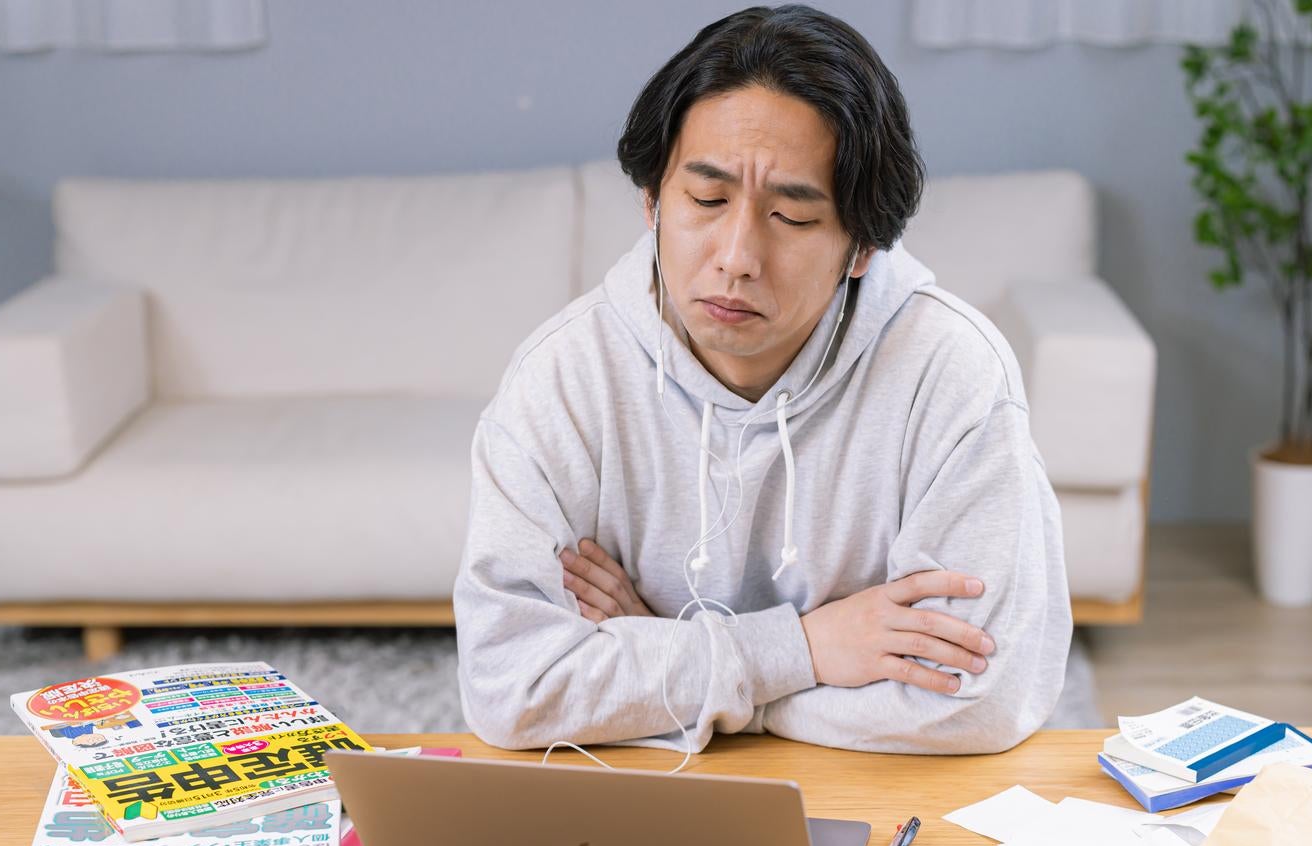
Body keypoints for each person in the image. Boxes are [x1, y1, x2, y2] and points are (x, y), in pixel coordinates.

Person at [453, 4, 1071, 755]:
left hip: (876, 801)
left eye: (791, 216)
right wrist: (804, 650)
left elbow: (979, 702)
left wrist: (659, 661)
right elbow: (508, 687)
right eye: (706, 201)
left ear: (863, 247)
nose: (737, 255)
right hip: (643, 810)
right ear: (652, 202)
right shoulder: (561, 380)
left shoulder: (951, 373)